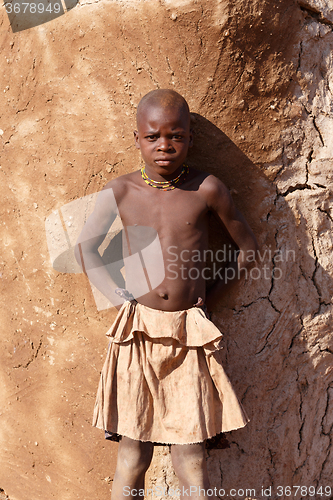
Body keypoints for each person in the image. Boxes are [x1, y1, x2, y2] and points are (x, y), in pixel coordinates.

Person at [75, 89, 258, 500]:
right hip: (137, 330)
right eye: (153, 136)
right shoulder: (120, 191)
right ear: (137, 138)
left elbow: (247, 251)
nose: (164, 145)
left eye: (175, 135)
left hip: (186, 334)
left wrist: (209, 294)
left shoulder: (207, 189)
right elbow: (86, 249)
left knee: (191, 454)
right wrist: (118, 293)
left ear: (190, 138)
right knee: (132, 453)